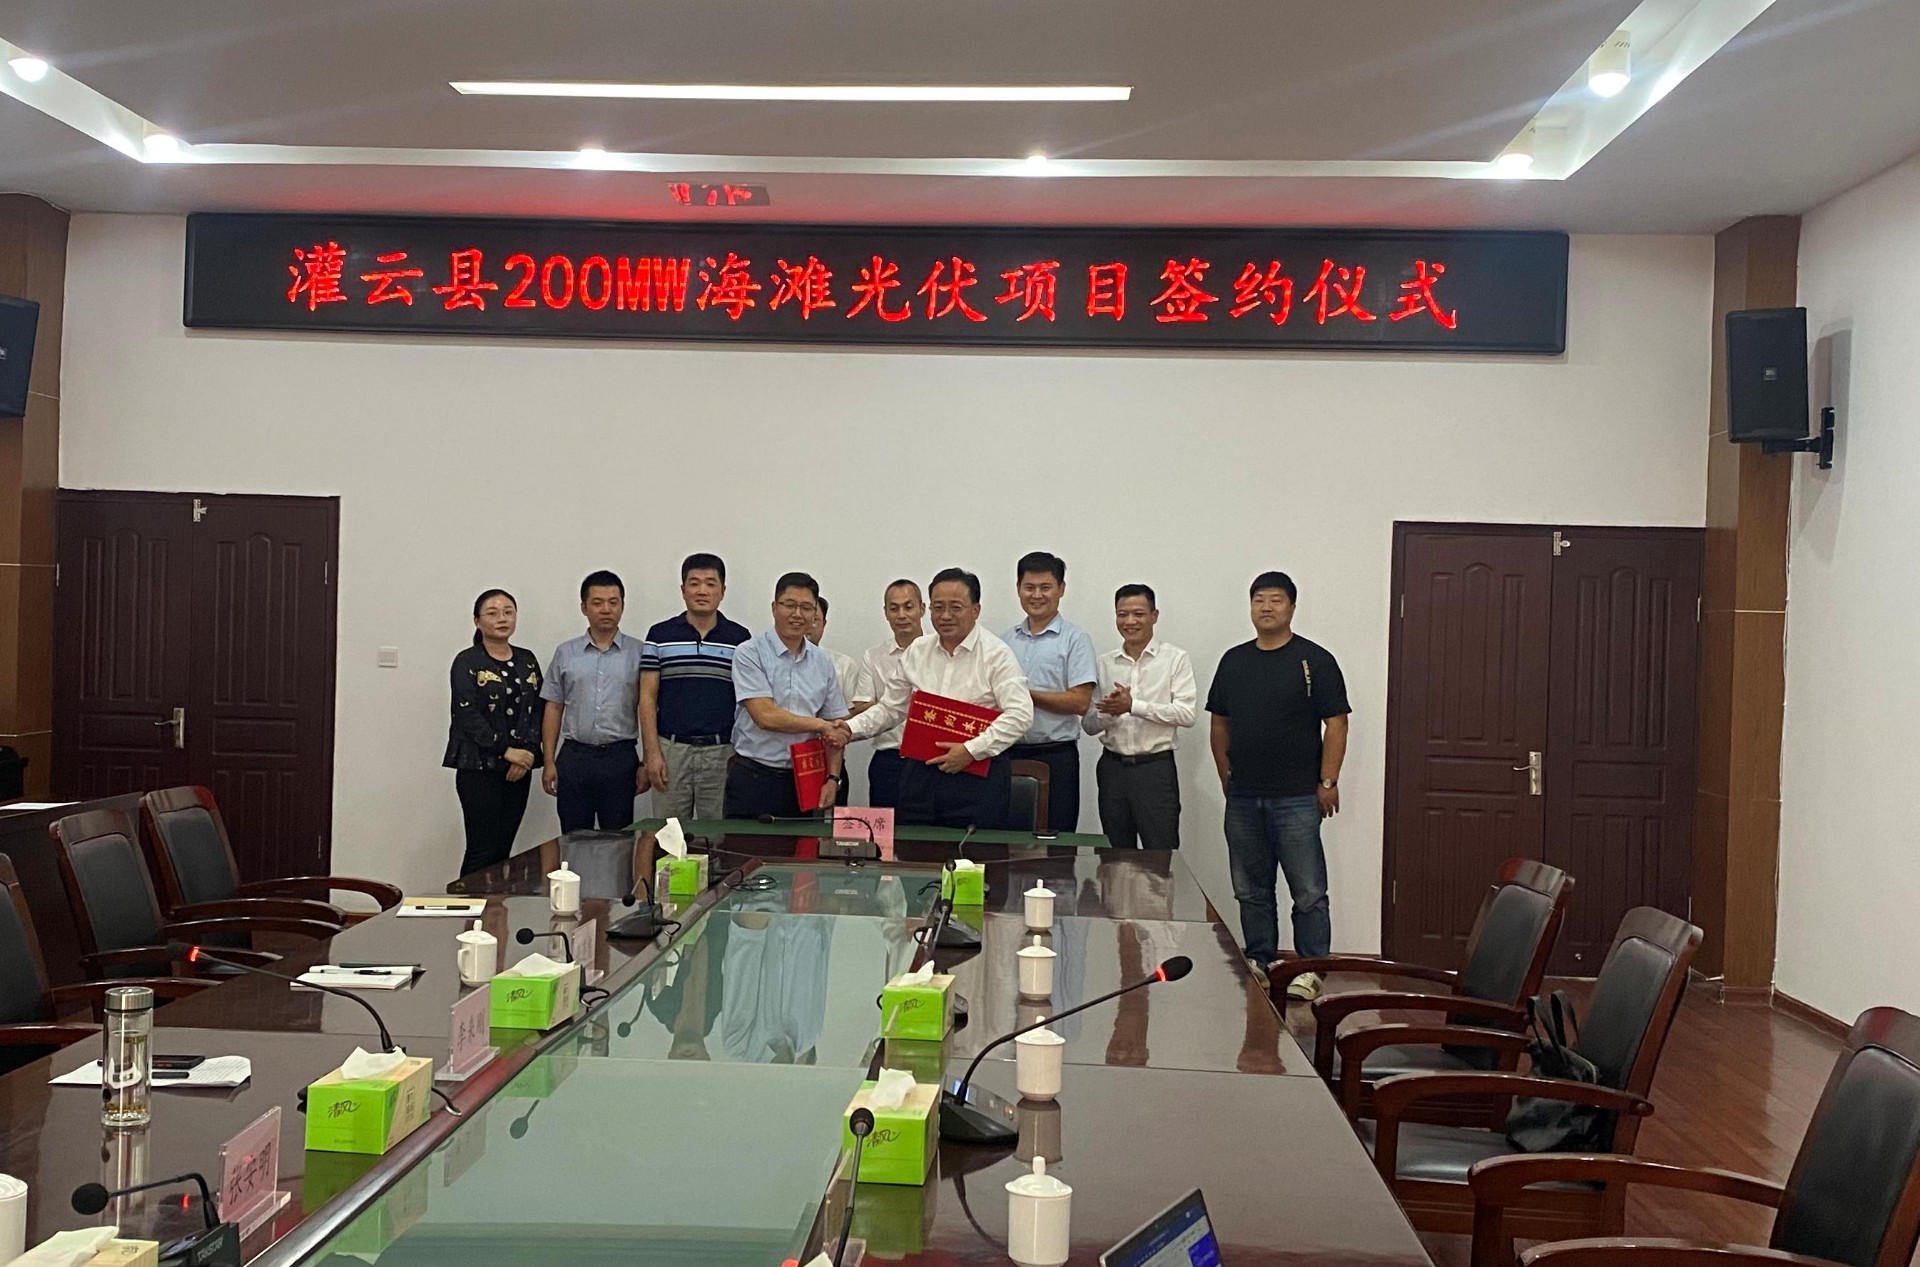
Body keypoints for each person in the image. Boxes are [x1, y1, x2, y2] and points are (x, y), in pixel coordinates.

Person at [1206, 571, 1350, 1001]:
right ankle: (1261, 959)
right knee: (1250, 888)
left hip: (1298, 796)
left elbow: (1337, 723)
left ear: (1292, 607)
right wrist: (1225, 774)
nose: (1266, 608)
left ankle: (1311, 967)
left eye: (1275, 600)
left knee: (1308, 890)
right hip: (1243, 796)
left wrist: (1328, 780)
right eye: (1258, 600)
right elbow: (1219, 722)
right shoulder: (1234, 661)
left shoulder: (1314, 660)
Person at [834, 567, 1034, 829]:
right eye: (938, 608)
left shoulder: (996, 654)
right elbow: (891, 708)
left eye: (955, 607)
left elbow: (1020, 715)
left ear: (975, 610)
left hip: (977, 774)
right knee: (915, 848)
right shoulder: (918, 650)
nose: (945, 616)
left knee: (973, 852)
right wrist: (850, 728)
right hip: (921, 774)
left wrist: (971, 751)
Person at [724, 572, 849, 820]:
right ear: (774, 607)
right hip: (755, 776)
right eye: (789, 605)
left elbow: (836, 726)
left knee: (803, 845)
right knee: (746, 845)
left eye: (806, 607)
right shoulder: (749, 653)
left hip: (806, 777)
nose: (797, 614)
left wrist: (832, 778)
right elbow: (765, 716)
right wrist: (821, 726)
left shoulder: (823, 662)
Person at [640, 553, 751, 827]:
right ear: (683, 589)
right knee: (669, 836)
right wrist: (651, 753)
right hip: (671, 750)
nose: (702, 590)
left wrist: (741, 753)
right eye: (694, 583)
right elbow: (647, 698)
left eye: (710, 584)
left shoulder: (740, 639)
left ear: (722, 591)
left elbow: (748, 702)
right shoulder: (659, 636)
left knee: (718, 836)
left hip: (722, 751)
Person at [1082, 584, 1197, 850]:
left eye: (1138, 614)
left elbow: (1186, 713)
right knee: (1115, 854)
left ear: (1154, 616)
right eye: (1122, 614)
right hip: (1112, 769)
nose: (1130, 621)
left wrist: (1134, 706)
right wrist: (1111, 713)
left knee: (1161, 853)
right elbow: (1088, 725)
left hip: (1154, 769)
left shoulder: (1175, 659)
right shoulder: (1105, 663)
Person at [445, 589, 545, 877]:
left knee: (503, 850)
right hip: (478, 768)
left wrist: (526, 753)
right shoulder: (467, 661)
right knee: (482, 849)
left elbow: (537, 709)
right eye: (492, 613)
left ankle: (497, 906)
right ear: (477, 621)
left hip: (519, 768)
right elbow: (466, 714)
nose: (502, 618)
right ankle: (468, 906)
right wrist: (505, 751)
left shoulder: (527, 659)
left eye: (508, 612)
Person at [541, 569, 648, 833]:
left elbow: (649, 709)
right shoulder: (566, 653)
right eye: (597, 602)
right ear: (584, 607)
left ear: (622, 606)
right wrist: (549, 761)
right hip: (575, 758)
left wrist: (646, 761)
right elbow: (554, 707)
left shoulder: (640, 653)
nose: (606, 609)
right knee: (574, 838)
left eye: (613, 602)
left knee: (619, 838)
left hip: (620, 758)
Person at [1004, 551, 1098, 832]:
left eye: (1045, 587)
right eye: (1029, 587)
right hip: (1008, 754)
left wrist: (1025, 694)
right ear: (1018, 589)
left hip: (1057, 757)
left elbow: (1080, 702)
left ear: (1061, 589)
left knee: (1057, 842)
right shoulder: (1004, 642)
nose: (1036, 595)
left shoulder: (1076, 640)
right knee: (1007, 841)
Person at [860, 579, 926, 808]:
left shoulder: (941, 650)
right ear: (886, 613)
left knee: (927, 828)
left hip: (929, 762)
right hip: (888, 761)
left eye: (908, 607)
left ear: (922, 609)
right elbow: (860, 707)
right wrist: (891, 708)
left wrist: (884, 705)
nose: (901, 615)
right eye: (894, 608)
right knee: (883, 828)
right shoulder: (873, 656)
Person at [807, 594, 873, 718]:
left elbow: (853, 712)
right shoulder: (773, 660)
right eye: (803, 619)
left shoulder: (844, 665)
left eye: (814, 620)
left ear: (824, 624)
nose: (808, 625)